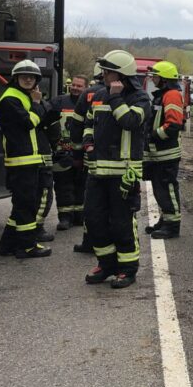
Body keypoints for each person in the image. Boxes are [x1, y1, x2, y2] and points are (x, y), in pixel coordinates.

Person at [82, 50, 150, 288]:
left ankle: (127, 269)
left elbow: (130, 122)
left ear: (121, 75)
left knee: (122, 222)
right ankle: (106, 263)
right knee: (93, 218)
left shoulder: (141, 99)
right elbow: (89, 123)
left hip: (124, 173)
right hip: (97, 171)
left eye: (107, 71)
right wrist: (88, 143)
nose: (103, 75)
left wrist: (116, 98)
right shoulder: (99, 95)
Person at [0, 60, 53, 259]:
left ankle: (7, 245)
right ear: (15, 78)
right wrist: (37, 104)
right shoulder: (11, 99)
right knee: (27, 205)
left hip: (27, 160)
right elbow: (29, 123)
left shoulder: (22, 96)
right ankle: (27, 247)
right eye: (23, 76)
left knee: (21, 205)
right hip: (21, 161)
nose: (28, 79)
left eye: (32, 77)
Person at [143, 60, 185, 239]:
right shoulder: (163, 94)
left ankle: (172, 226)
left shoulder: (172, 95)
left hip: (166, 154)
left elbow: (173, 125)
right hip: (158, 154)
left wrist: (153, 135)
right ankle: (165, 219)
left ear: (165, 78)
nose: (153, 78)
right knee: (160, 189)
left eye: (156, 76)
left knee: (167, 188)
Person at [68, 64, 105, 253]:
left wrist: (77, 154)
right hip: (116, 159)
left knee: (91, 201)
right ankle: (107, 244)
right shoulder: (125, 94)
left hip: (91, 156)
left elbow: (76, 126)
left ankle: (89, 241)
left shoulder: (88, 94)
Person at [49, 75, 88, 230]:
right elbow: (49, 122)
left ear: (85, 88)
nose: (75, 88)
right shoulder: (58, 102)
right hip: (62, 152)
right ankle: (65, 218)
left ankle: (79, 216)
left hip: (81, 152)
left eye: (79, 86)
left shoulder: (89, 103)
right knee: (63, 186)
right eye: (74, 84)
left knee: (81, 185)